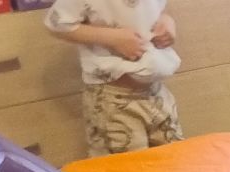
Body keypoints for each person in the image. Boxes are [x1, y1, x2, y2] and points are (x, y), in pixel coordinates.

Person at [45, 0, 183, 157]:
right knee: (125, 167)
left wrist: (166, 21)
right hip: (111, 98)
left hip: (156, 91)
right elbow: (57, 24)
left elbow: (156, 9)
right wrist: (112, 38)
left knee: (174, 159)